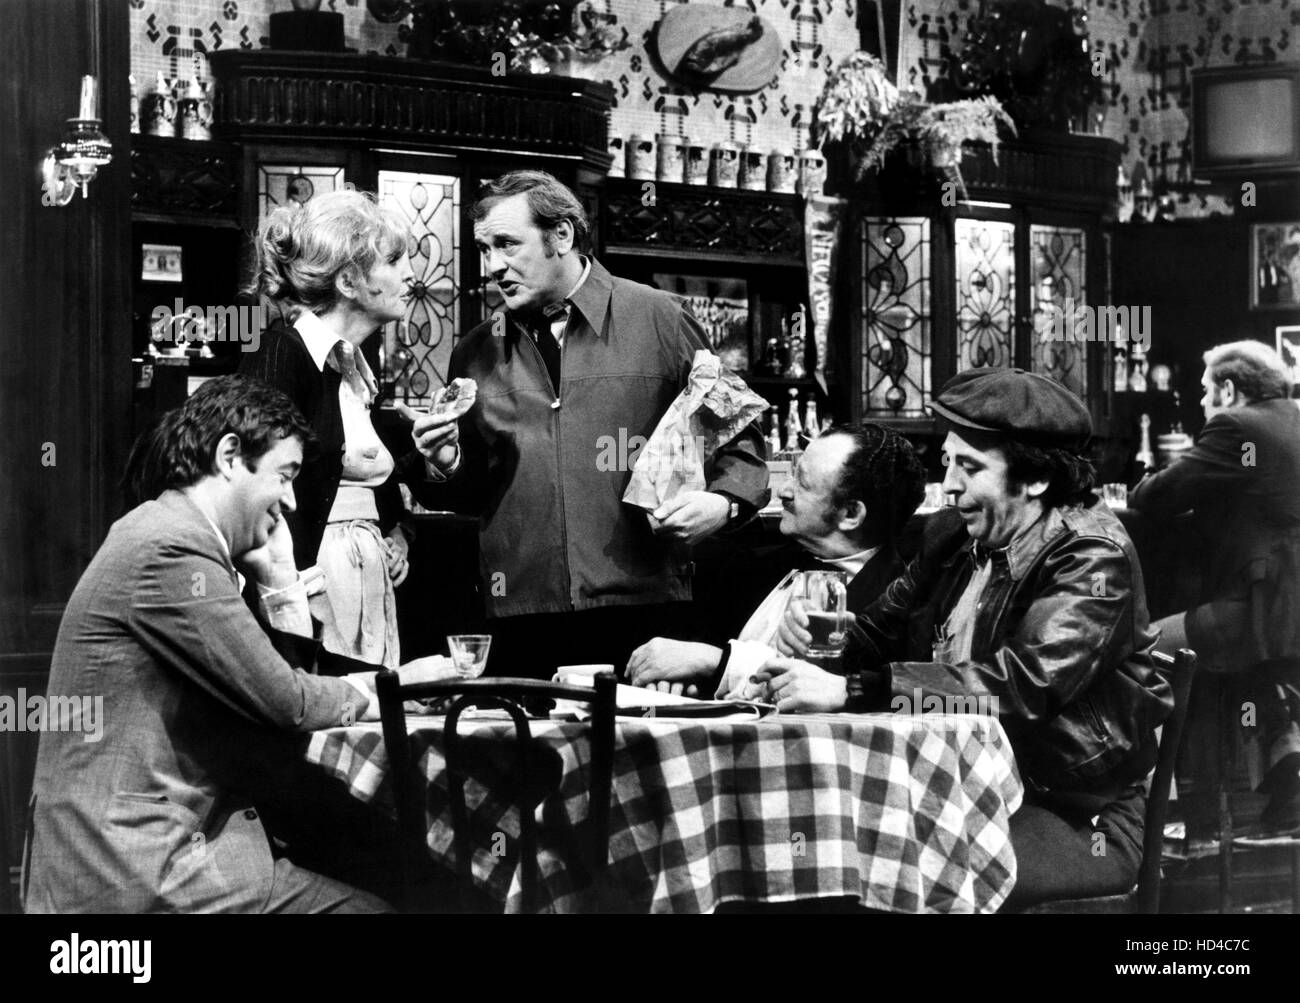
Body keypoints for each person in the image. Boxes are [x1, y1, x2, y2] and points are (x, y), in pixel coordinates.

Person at [21, 376, 440, 913]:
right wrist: (392, 685)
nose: (290, 500)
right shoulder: (173, 550)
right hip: (134, 867)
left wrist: (279, 579)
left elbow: (266, 690)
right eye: (285, 476)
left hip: (141, 848)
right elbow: (287, 702)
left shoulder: (165, 532)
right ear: (229, 456)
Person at [768, 368, 1172, 909]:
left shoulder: (1092, 557)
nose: (950, 484)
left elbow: (1023, 685)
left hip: (1075, 809)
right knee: (812, 849)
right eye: (948, 462)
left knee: (897, 870)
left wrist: (853, 690)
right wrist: (831, 644)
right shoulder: (953, 533)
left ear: (1035, 480)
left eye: (971, 467)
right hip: (960, 789)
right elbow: (876, 632)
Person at [402, 170, 769, 677]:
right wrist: (446, 463)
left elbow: (739, 434)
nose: (492, 266)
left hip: (645, 609)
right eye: (485, 250)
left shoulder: (662, 318)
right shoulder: (474, 350)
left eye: (507, 244)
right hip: (519, 611)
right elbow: (469, 496)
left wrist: (724, 502)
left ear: (563, 235)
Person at [240, 189, 421, 670]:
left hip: (366, 579)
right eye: (395, 260)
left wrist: (395, 532)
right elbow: (258, 492)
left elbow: (354, 467)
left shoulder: (353, 366)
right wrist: (297, 593)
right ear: (348, 281)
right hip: (315, 586)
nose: (410, 275)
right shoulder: (283, 353)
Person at [1129, 340, 1300, 836]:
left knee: (1140, 652)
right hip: (1285, 613)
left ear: (1228, 390)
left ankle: (1155, 813)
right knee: (1259, 681)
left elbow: (1157, 495)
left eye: (1205, 392)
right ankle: (1283, 779)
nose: (1202, 404)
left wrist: (1144, 485)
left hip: (1261, 609)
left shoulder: (1238, 428)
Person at [626, 423, 925, 697]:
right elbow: (688, 651)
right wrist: (679, 675)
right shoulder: (753, 565)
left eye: (803, 483)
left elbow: (821, 691)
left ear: (850, 515)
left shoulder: (899, 608)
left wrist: (713, 662)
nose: (783, 490)